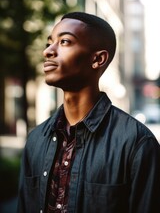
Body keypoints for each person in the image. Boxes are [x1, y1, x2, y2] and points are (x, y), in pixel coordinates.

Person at [17, 12, 160, 213]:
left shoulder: (136, 143)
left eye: (65, 41)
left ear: (98, 59)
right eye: (49, 43)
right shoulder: (36, 140)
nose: (48, 51)